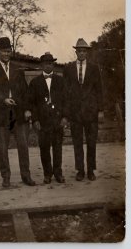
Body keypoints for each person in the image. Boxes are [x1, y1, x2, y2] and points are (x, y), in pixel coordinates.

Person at [0, 37, 35, 187]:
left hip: (18, 114)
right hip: (0, 116)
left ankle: (26, 176)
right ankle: (6, 177)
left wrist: (27, 109)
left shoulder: (17, 69)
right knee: (2, 148)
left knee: (23, 145)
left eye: (8, 51)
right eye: (3, 51)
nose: (6, 54)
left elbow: (25, 92)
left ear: (11, 51)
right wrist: (3, 99)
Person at [63, 38, 104, 181]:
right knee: (77, 142)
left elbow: (99, 90)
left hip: (91, 112)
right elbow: (66, 92)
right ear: (76, 52)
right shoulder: (68, 69)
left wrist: (100, 110)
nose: (81, 53)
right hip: (75, 113)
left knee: (91, 142)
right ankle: (80, 170)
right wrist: (67, 113)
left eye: (84, 51)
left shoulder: (94, 68)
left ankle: (91, 170)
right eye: (79, 51)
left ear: (87, 52)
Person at [28, 52, 68, 184]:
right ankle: (47, 174)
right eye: (45, 64)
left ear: (53, 65)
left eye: (50, 63)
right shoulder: (35, 82)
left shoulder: (61, 81)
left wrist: (65, 117)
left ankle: (58, 173)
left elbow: (66, 101)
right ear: (41, 65)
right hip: (43, 122)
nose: (48, 66)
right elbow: (31, 103)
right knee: (44, 148)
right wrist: (35, 120)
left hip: (57, 120)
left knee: (57, 148)